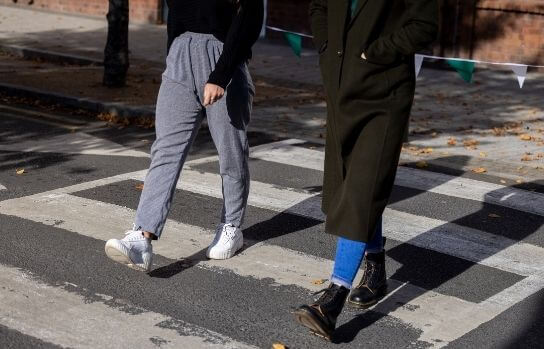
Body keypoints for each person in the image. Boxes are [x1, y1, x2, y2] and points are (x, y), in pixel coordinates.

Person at [293, 0, 439, 341]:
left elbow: (424, 25)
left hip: (383, 95)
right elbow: (318, 6)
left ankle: (331, 301)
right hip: (341, 89)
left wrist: (375, 53)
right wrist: (327, 46)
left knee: (361, 190)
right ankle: (375, 267)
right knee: (353, 185)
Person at [104, 0, 264, 272]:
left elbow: (250, 16)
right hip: (180, 58)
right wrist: (174, 55)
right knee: (165, 150)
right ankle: (142, 238)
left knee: (231, 151)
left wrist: (221, 74)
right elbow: (176, 13)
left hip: (224, 54)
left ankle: (232, 226)